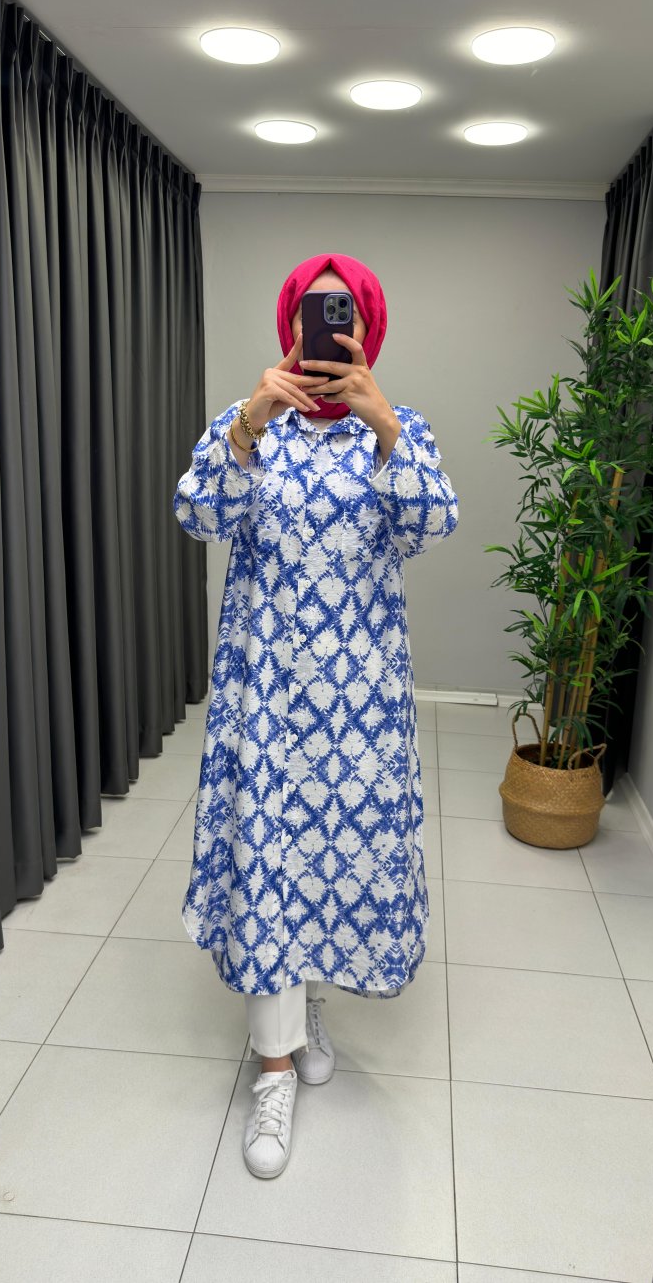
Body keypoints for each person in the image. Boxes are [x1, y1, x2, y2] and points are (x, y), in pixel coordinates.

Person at [172, 252, 460, 1179]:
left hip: (360, 703)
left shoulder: (398, 428)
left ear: (367, 330)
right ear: (292, 324)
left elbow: (430, 525)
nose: (329, 329)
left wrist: (385, 429)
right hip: (267, 691)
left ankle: (305, 1011)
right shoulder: (252, 422)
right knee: (269, 857)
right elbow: (196, 515)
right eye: (313, 312)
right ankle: (271, 1066)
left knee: (333, 859)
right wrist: (250, 422)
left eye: (345, 316)